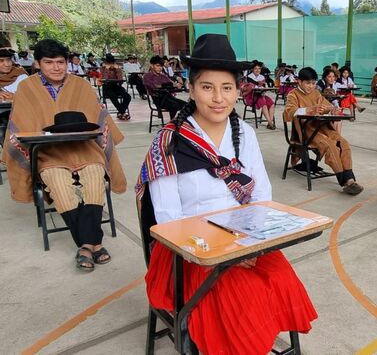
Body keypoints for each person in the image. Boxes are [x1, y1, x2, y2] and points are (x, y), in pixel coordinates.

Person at [135, 34, 317, 354]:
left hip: (245, 238)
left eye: (227, 88)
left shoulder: (244, 133)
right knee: (243, 299)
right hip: (190, 251)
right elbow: (169, 220)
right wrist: (225, 254)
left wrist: (251, 245)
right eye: (207, 87)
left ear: (238, 90)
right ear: (190, 89)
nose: (218, 98)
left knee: (281, 281)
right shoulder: (168, 143)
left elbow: (261, 193)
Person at [2, 39, 126, 270]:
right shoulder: (27, 87)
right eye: (49, 62)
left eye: (61, 62)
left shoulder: (81, 85)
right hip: (49, 153)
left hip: (84, 149)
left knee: (94, 176)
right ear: (37, 63)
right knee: (58, 183)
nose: (56, 67)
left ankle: (85, 247)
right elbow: (20, 128)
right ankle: (94, 243)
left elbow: (100, 122)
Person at [285, 67, 364, 195]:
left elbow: (328, 105)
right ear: (299, 82)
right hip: (307, 131)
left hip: (322, 127)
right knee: (329, 145)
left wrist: (330, 110)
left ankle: (350, 178)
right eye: (308, 83)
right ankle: (346, 182)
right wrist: (309, 109)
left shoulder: (316, 93)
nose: (311, 86)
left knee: (343, 143)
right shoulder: (292, 94)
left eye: (313, 83)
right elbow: (289, 112)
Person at [0, 45, 29, 149]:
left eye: (8, 60)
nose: (6, 64)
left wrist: (16, 95)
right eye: (1, 61)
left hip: (18, 115)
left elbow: (29, 95)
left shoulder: (21, 75)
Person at [143, 55, 186, 120]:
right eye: (157, 66)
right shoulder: (147, 76)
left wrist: (178, 84)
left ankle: (181, 122)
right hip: (158, 99)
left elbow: (173, 84)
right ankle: (172, 122)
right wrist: (167, 85)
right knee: (174, 105)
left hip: (168, 97)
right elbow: (154, 86)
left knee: (187, 105)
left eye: (161, 66)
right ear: (152, 65)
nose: (160, 68)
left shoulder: (163, 76)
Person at [243, 61, 276, 129]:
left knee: (271, 103)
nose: (258, 70)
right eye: (256, 69)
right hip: (252, 96)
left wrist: (263, 91)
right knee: (263, 104)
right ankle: (270, 123)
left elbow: (263, 86)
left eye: (259, 69)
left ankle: (270, 122)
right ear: (252, 69)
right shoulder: (249, 77)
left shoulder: (262, 77)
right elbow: (253, 86)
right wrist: (260, 86)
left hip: (261, 94)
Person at [100, 53, 132, 120]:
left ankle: (121, 112)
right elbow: (104, 78)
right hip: (107, 87)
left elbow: (120, 78)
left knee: (127, 96)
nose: (111, 64)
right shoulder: (102, 68)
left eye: (112, 62)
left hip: (115, 86)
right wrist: (107, 69)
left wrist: (118, 69)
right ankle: (123, 113)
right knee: (113, 96)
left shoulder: (116, 68)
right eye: (109, 63)